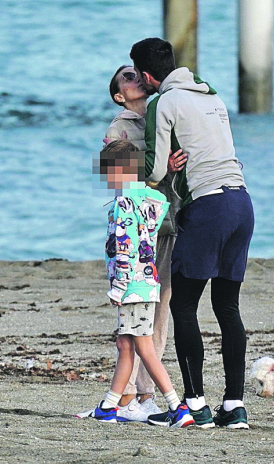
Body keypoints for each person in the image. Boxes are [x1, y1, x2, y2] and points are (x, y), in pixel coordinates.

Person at [131, 37, 255, 430]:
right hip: (242, 203)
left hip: (208, 207)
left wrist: (158, 165)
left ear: (149, 75)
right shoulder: (213, 98)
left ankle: (195, 405)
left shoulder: (162, 103)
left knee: (183, 306)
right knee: (227, 307)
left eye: (138, 75)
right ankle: (234, 407)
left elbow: (152, 171)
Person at [89, 139, 194, 428]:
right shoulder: (151, 200)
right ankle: (109, 406)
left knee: (144, 348)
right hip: (148, 284)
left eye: (108, 172)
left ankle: (177, 406)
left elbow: (125, 247)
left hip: (132, 285)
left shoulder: (124, 202)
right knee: (126, 343)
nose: (106, 179)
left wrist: (118, 287)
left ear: (121, 171)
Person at [102, 65, 187, 421]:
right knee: (140, 322)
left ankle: (138, 396)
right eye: (126, 77)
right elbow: (121, 180)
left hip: (167, 221)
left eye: (137, 73)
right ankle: (139, 395)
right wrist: (161, 168)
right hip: (142, 237)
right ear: (119, 95)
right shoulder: (118, 129)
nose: (135, 78)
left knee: (158, 310)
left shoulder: (162, 112)